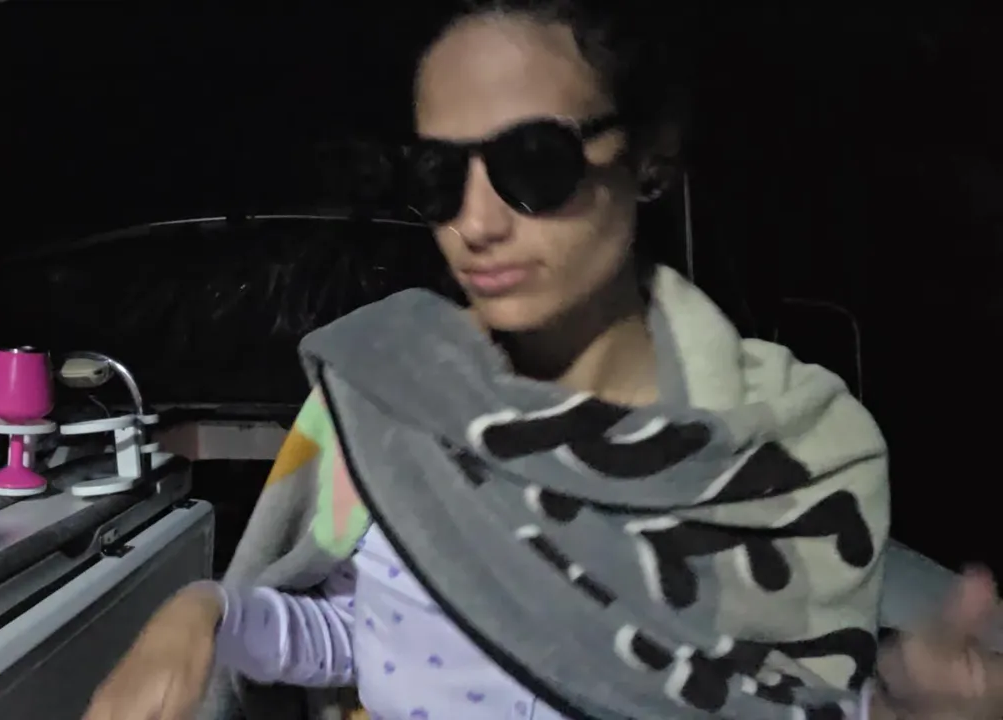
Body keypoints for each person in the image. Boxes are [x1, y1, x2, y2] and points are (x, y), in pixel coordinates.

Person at [84, 1, 1002, 719]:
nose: (476, 223)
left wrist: (898, 708)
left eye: (535, 162)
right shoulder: (390, 401)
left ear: (650, 157)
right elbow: (379, 634)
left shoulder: (788, 451)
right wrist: (208, 614)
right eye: (440, 177)